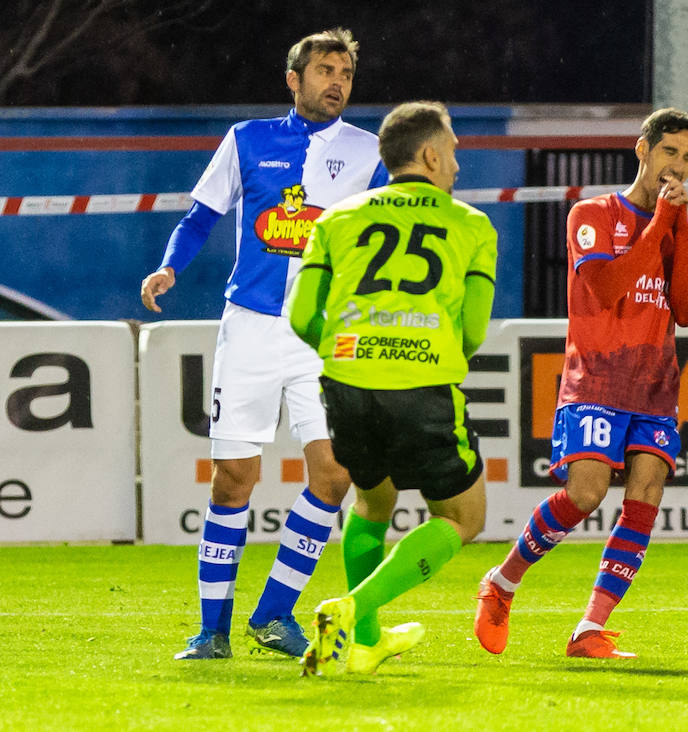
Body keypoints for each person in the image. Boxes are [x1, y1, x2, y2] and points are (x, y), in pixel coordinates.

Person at [140, 28, 390, 660]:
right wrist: (171, 267)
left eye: (345, 73)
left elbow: (391, 231)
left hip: (323, 334)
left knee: (334, 473)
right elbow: (200, 216)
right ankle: (212, 632)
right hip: (249, 326)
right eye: (325, 70)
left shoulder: (369, 152)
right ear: (294, 79)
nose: (337, 81)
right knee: (234, 478)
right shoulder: (247, 139)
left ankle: (274, 614)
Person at [474, 108, 688, 659]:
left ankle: (590, 628)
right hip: (596, 378)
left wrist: (675, 227)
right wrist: (658, 227)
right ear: (643, 150)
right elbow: (606, 288)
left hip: (655, 385)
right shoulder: (593, 213)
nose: (677, 166)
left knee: (645, 495)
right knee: (585, 493)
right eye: (670, 152)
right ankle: (502, 583)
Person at [289, 101, 497, 676]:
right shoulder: (473, 225)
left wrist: (354, 353)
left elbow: (304, 316)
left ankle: (363, 646)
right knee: (463, 517)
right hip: (423, 384)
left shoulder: (336, 219)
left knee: (372, 502)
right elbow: (473, 331)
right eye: (452, 149)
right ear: (430, 154)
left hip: (347, 383)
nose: (456, 162)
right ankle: (355, 610)